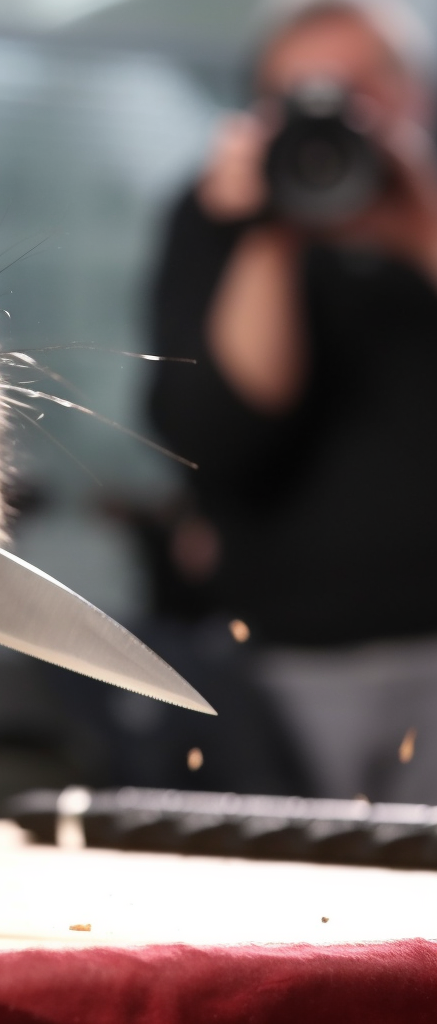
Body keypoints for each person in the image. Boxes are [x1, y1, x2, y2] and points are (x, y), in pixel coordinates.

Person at [148, 0, 437, 803]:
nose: (337, 113)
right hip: (283, 662)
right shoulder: (216, 216)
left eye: (361, 87)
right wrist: (272, 227)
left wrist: (418, 229)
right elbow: (216, 433)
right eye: (303, 92)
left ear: (417, 94)